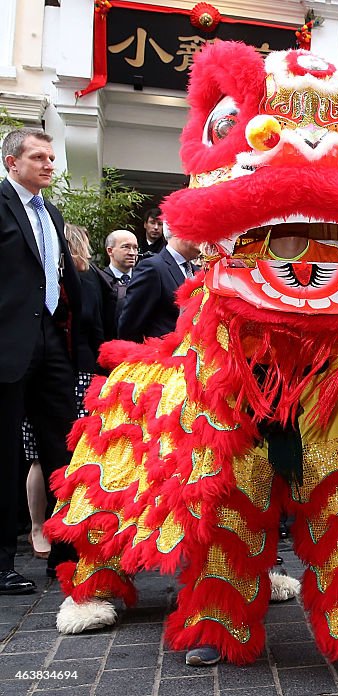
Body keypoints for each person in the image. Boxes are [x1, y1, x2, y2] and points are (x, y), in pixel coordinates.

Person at [1, 128, 82, 593]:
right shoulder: (1, 205)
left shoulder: (50, 211)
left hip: (51, 341)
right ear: (12, 163)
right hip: (7, 344)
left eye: (51, 157)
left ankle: (66, 556)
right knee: (5, 455)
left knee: (63, 449)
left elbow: (62, 280)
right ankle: (2, 564)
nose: (49, 164)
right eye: (38, 157)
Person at [21, 224, 106, 560]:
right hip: (46, 372)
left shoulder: (89, 280)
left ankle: (74, 527)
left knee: (78, 454)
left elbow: (99, 327)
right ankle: (39, 526)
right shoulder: (39, 284)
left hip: (82, 374)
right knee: (42, 454)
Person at [118, 226, 200, 341]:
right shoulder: (153, 268)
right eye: (198, 230)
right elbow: (131, 323)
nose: (204, 238)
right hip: (159, 353)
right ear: (177, 230)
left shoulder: (198, 272)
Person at [97, 229, 139, 338]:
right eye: (126, 247)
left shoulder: (143, 279)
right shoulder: (99, 281)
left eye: (135, 248)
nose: (132, 253)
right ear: (110, 251)